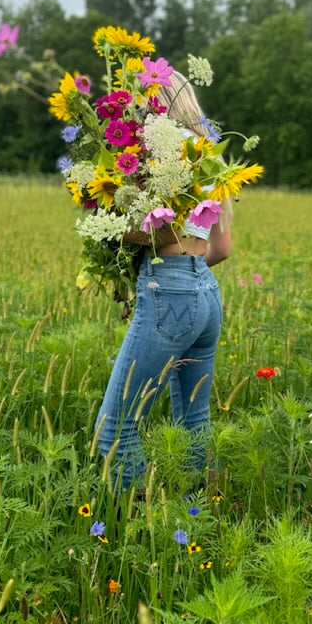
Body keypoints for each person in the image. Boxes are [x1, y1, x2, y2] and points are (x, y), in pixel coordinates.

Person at [93, 71, 231, 488]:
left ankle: (135, 527)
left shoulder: (163, 155)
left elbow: (165, 231)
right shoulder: (209, 157)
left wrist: (108, 228)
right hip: (206, 294)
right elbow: (219, 249)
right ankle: (197, 519)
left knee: (114, 428)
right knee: (194, 422)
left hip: (169, 288)